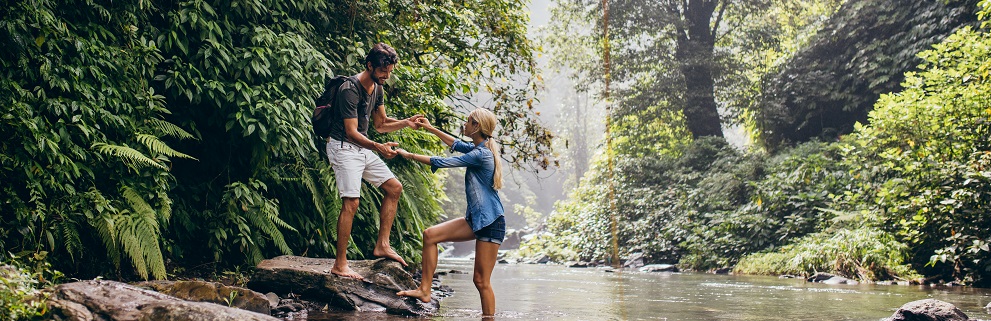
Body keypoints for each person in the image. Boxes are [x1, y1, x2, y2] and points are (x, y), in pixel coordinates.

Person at [395, 108, 505, 317]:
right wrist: (429, 128)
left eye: (468, 121)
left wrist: (407, 154)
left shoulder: (481, 155)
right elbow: (455, 144)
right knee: (430, 235)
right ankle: (425, 290)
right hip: (476, 220)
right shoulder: (477, 148)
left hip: (491, 222)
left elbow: (443, 161)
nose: (464, 124)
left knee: (481, 281)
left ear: (477, 127)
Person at [326, 43, 422, 279]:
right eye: (382, 71)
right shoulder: (349, 89)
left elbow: (381, 124)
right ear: (369, 65)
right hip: (343, 147)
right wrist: (378, 147)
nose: (386, 76)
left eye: (389, 72)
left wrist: (406, 122)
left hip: (361, 147)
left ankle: (382, 245)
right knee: (352, 203)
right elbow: (351, 132)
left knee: (394, 188)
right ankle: (340, 264)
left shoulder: (377, 88)